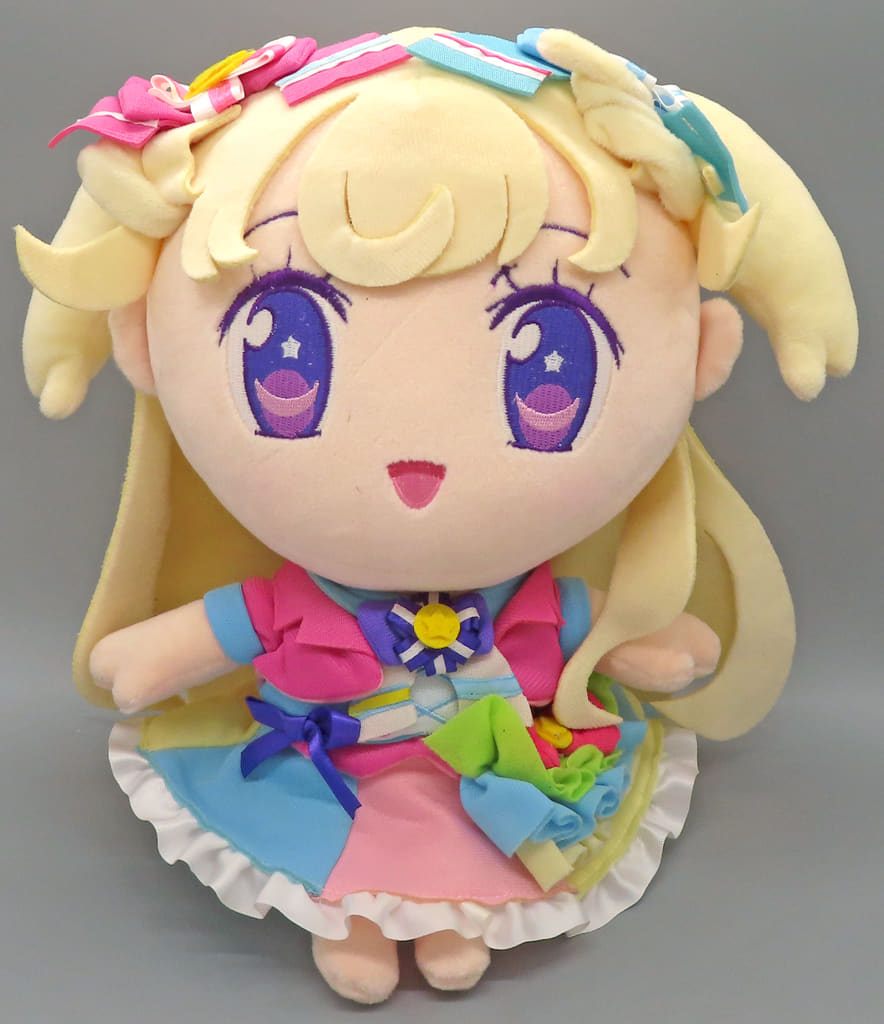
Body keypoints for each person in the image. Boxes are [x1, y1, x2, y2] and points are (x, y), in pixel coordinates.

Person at [16, 27, 856, 1004]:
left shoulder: (528, 604)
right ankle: (360, 921)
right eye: (287, 357)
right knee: (327, 840)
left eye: (549, 375)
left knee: (485, 834)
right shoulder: (295, 604)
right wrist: (148, 657)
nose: (415, 458)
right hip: (327, 766)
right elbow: (214, 632)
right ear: (145, 347)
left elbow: (594, 628)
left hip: (485, 764)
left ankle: (452, 917)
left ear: (699, 356)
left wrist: (649, 647)